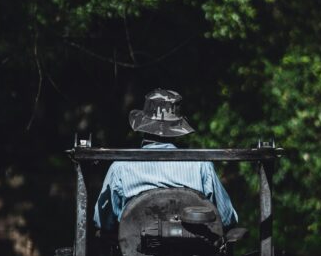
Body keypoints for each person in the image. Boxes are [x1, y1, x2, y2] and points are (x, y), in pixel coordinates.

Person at [94, 88, 237, 231]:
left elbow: (102, 222)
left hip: (135, 252)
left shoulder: (120, 168)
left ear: (143, 126)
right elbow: (226, 218)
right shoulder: (200, 165)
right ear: (177, 130)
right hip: (193, 251)